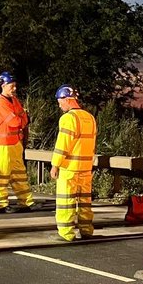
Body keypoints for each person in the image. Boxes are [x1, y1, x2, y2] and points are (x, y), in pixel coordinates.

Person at [49, 85, 97, 241]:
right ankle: (86, 229)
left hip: (69, 168)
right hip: (85, 167)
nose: (59, 105)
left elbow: (63, 145)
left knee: (66, 201)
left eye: (60, 101)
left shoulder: (68, 118)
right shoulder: (90, 118)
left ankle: (67, 233)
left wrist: (55, 164)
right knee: (85, 201)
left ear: (67, 99)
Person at [0, 71, 34, 214]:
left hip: (15, 141)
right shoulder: (1, 102)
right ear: (3, 85)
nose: (14, 88)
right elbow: (16, 121)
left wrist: (22, 119)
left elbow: (23, 117)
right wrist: (22, 119)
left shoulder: (14, 100)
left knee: (19, 172)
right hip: (3, 142)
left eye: (15, 85)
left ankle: (25, 201)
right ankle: (1, 204)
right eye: (11, 86)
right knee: (3, 173)